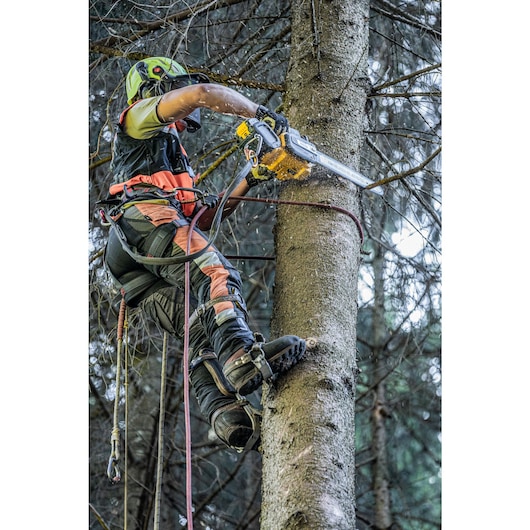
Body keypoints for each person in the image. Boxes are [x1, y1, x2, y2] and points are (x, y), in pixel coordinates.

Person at [101, 56, 306, 451]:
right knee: (214, 274)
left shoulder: (176, 160)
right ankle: (241, 355)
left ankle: (226, 415)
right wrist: (262, 115)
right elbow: (202, 93)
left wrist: (253, 175)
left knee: (198, 325)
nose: (189, 111)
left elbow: (203, 219)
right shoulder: (140, 118)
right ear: (157, 88)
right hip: (145, 220)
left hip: (133, 264)